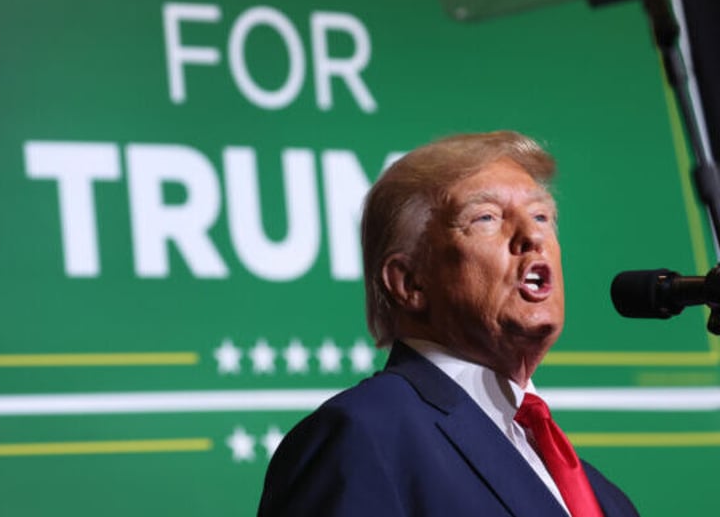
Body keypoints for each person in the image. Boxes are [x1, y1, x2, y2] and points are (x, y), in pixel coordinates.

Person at [257, 131, 639, 516]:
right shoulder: (363, 435)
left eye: (542, 215)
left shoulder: (606, 498)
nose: (533, 235)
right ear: (410, 283)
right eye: (486, 217)